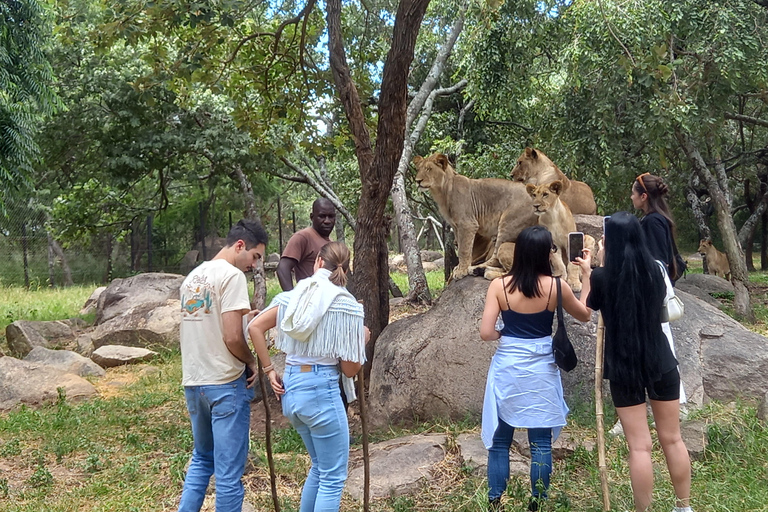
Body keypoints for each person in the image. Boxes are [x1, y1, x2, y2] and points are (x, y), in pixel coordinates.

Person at [479, 226, 593, 512]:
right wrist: (587, 276)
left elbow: (485, 332)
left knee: (500, 440)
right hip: (542, 367)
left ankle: (495, 503)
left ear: (517, 252)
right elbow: (585, 315)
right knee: (540, 442)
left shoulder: (499, 286)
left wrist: (504, 337)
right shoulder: (556, 286)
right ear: (547, 253)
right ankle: (537, 504)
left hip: (507, 366)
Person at [249, 241, 368, 512]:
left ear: (316, 263)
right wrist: (361, 340)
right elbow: (350, 370)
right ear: (346, 270)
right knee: (333, 477)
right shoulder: (345, 304)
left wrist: (269, 370)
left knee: (320, 467)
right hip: (321, 392)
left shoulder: (293, 296)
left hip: (291, 389)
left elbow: (255, 327)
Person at [586, 212, 693, 512]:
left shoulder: (601, 277)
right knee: (672, 439)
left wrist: (587, 271)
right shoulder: (657, 271)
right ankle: (683, 507)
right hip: (661, 361)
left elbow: (587, 306)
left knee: (639, 446)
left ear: (612, 242)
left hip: (624, 368)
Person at [178, 219, 268, 512]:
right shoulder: (232, 276)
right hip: (225, 384)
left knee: (202, 459)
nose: (254, 265)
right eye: (255, 256)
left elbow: (211, 321)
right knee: (229, 475)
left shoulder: (193, 277)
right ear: (240, 246)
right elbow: (231, 336)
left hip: (194, 382)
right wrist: (251, 360)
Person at [631, 172, 682, 284]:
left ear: (643, 196)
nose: (632, 197)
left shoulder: (653, 221)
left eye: (633, 193)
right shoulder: (654, 218)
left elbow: (659, 263)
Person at [277, 197, 337, 291]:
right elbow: (283, 268)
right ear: (312, 217)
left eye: (331, 216)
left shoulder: (332, 243)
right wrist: (291, 298)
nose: (327, 221)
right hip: (309, 300)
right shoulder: (303, 237)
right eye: (322, 216)